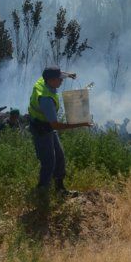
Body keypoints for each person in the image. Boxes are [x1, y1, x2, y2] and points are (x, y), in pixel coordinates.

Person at [28, 66, 91, 212]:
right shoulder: (46, 99)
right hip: (42, 129)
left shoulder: (44, 80)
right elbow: (56, 125)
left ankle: (60, 189)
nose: (61, 81)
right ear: (51, 80)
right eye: (60, 79)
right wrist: (81, 123)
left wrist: (69, 75)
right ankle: (42, 194)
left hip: (46, 126)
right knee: (49, 161)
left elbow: (56, 74)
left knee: (60, 156)